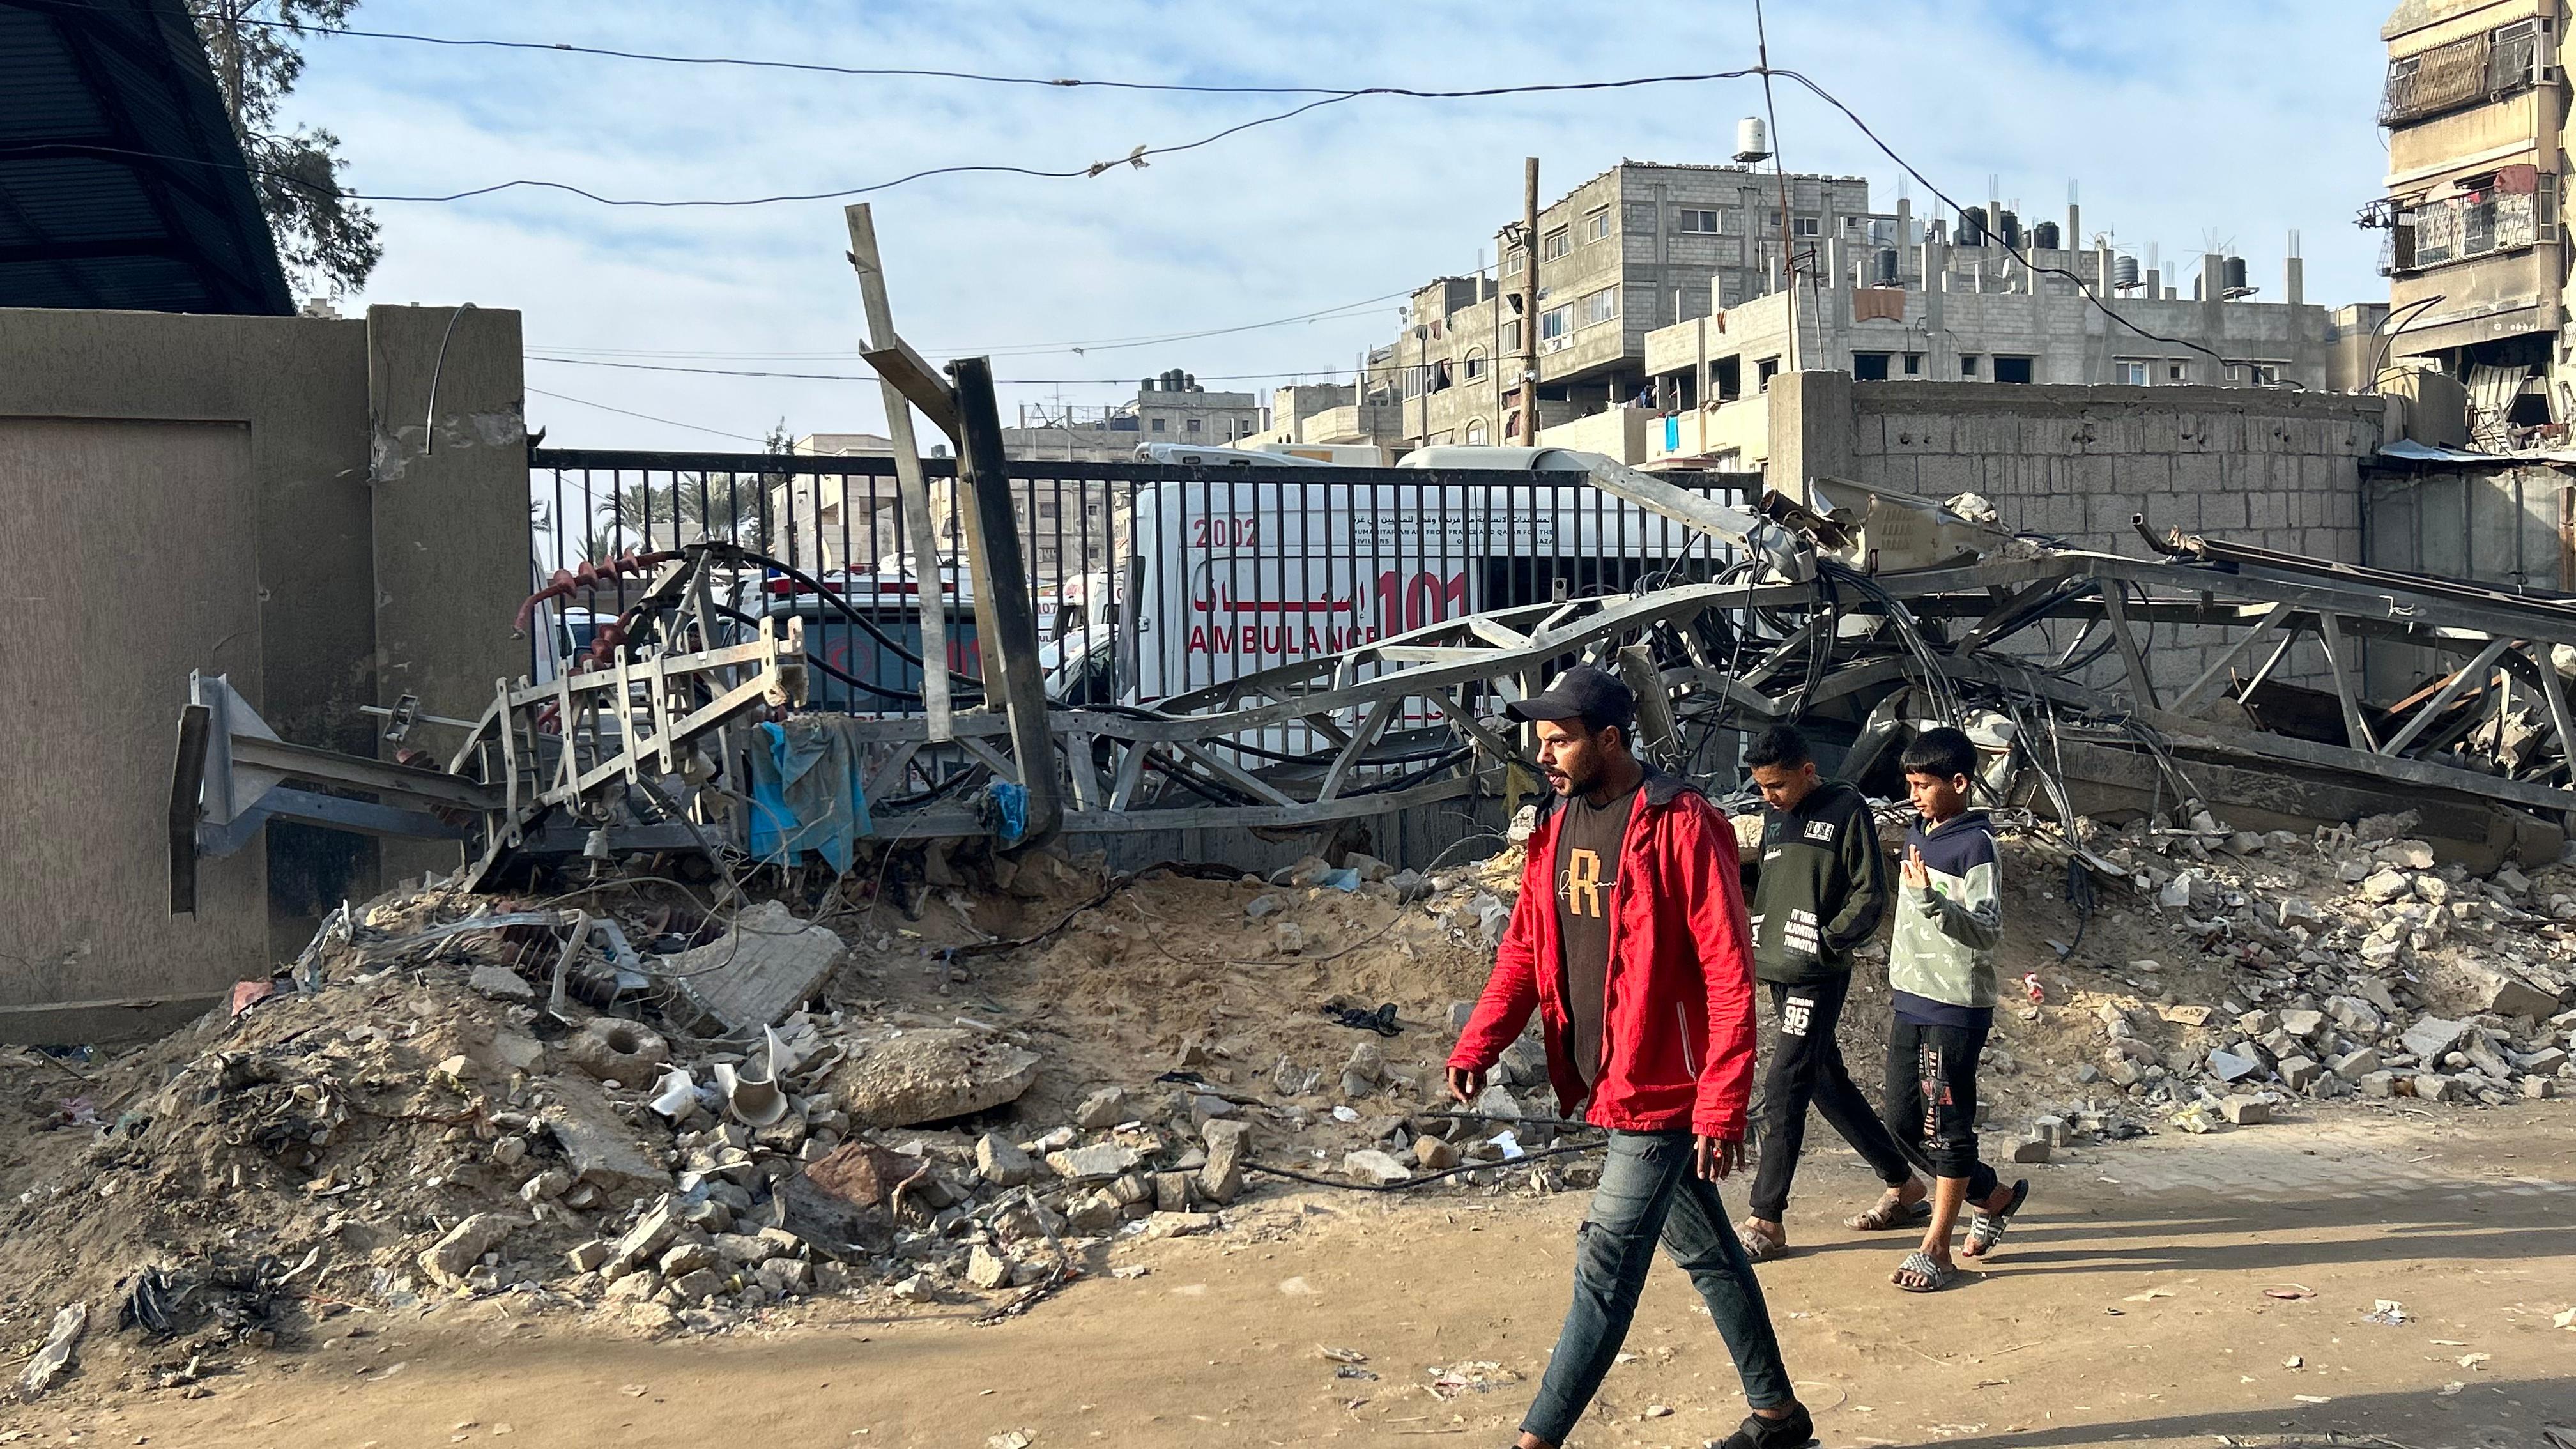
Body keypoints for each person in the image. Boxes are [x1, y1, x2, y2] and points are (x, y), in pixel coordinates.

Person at [1447, 664, 1812, 1449]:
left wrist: (1721, 1100)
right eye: (1540, 740)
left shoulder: (1683, 822)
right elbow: (1525, 947)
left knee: (1605, 1264)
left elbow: (1726, 970)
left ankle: (1537, 1440)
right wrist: (1481, 1039)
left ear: (1609, 738)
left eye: (1559, 740)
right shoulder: (1553, 823)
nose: (1543, 755)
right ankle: (1778, 1416)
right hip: (1610, 1079)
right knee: (1711, 1255)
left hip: (1665, 1087)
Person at [1733, 724, 1925, 1262]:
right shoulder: (1774, 818)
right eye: (1761, 787)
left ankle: (1766, 1218)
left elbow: (1870, 892)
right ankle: (1903, 1186)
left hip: (1817, 971)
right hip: (1776, 967)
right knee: (1823, 1081)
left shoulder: (1846, 808)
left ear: (1808, 772)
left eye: (1777, 785)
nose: (1769, 796)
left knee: (1784, 1084)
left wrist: (1828, 939)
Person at [1883, 726, 2028, 1293]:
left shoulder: (1976, 846)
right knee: (1901, 1121)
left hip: (1955, 1004)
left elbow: (1988, 930)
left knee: (1947, 1122)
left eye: (1924, 786)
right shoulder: (1919, 831)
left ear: (1960, 783)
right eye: (1911, 785)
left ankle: (1938, 1249)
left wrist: (1930, 902)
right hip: (1911, 996)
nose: (1914, 796)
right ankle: (1991, 1197)